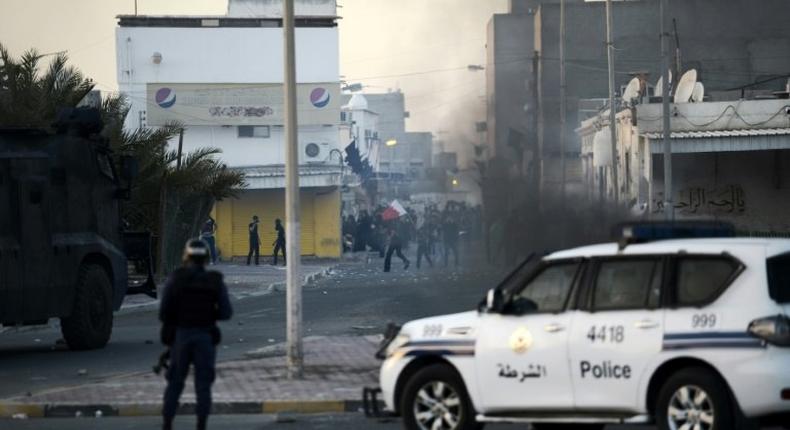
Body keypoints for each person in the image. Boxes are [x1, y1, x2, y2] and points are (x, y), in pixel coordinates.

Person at [159, 239, 233, 430]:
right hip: (205, 336)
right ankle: (201, 424)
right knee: (203, 384)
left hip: (181, 337)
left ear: (186, 257)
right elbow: (226, 312)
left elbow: (164, 312)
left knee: (175, 382)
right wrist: (209, 314)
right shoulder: (214, 280)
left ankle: (167, 423)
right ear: (206, 258)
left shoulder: (176, 278)